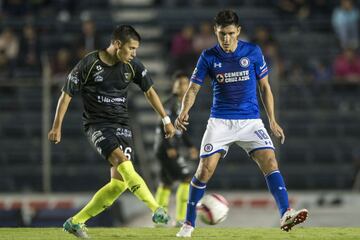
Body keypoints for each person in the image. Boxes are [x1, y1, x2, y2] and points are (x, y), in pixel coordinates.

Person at [175, 10, 308, 237]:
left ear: (238, 31)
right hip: (221, 121)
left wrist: (272, 121)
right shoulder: (208, 56)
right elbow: (194, 88)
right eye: (220, 34)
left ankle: (286, 213)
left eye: (229, 33)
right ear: (215, 33)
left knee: (270, 161)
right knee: (204, 170)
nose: (225, 39)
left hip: (251, 121)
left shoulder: (253, 52)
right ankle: (188, 223)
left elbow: (265, 88)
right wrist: (184, 110)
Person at [48, 25, 176, 239]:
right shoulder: (89, 63)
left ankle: (75, 222)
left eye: (136, 49)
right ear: (117, 44)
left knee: (118, 185)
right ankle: (157, 210)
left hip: (122, 126)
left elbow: (150, 91)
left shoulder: (132, 65)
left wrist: (166, 119)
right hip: (97, 125)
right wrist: (56, 126)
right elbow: (66, 94)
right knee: (123, 162)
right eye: (131, 48)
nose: (134, 53)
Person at [154, 71, 198, 227]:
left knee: (166, 183)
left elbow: (181, 130)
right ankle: (180, 218)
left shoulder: (182, 105)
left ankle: (159, 218)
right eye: (180, 84)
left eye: (186, 83)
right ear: (174, 86)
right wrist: (169, 146)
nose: (183, 86)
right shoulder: (170, 104)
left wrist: (190, 145)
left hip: (165, 149)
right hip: (167, 148)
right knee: (186, 178)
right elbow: (163, 125)